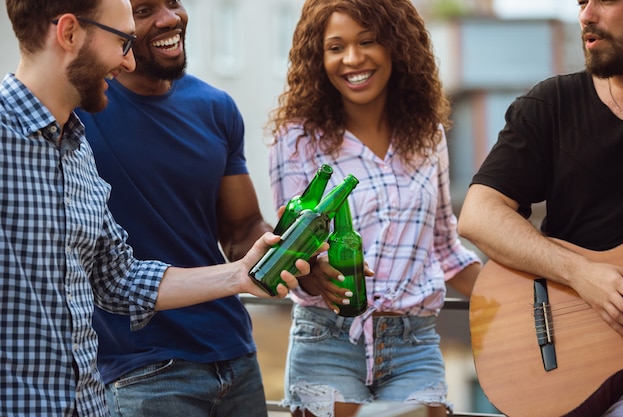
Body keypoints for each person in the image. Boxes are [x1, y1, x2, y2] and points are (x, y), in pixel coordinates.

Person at [1, 0, 313, 416]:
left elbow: (118, 278)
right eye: (122, 40)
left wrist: (240, 274)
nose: (128, 62)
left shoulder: (74, 148)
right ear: (70, 33)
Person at [266, 1, 482, 416]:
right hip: (327, 339)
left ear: (397, 47)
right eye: (335, 47)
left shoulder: (428, 137)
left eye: (368, 41)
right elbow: (291, 250)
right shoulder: (296, 140)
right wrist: (316, 275)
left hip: (413, 343)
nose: (352, 59)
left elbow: (446, 249)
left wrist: (525, 304)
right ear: (318, 57)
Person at [74, 0, 277, 416]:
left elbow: (241, 230)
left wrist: (299, 251)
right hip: (140, 372)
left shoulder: (216, 107)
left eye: (173, 3)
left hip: (235, 355)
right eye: (145, 9)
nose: (170, 19)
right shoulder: (80, 113)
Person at [457, 0, 623, 416]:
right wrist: (581, 275)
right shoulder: (554, 104)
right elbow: (479, 215)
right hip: (572, 367)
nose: (586, 15)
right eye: (581, 2)